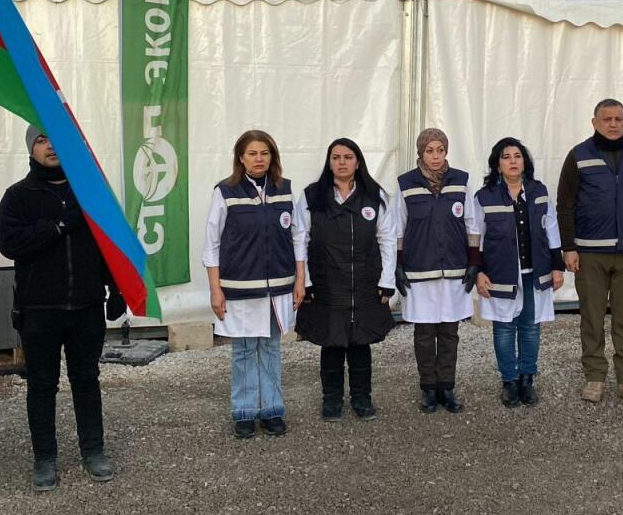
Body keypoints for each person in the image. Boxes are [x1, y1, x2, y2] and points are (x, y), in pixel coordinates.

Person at [0, 125, 122, 492]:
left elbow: (110, 245)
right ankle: (44, 457)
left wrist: (115, 288)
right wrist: (59, 225)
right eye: (41, 140)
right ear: (31, 149)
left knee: (86, 380)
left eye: (56, 137)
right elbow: (11, 244)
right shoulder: (18, 196)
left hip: (86, 306)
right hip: (39, 308)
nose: (50, 145)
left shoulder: (90, 193)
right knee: (41, 384)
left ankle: (93, 450)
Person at [557, 99, 623, 406]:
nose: (614, 124)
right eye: (607, 119)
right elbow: (565, 204)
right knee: (592, 318)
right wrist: (569, 247)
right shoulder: (579, 156)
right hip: (590, 253)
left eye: (619, 119)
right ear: (595, 123)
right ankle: (595, 377)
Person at [203, 130, 301, 438]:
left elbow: (298, 237)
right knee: (244, 350)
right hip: (240, 288)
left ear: (273, 157)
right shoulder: (225, 192)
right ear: (241, 158)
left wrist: (301, 280)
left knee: (271, 348)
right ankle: (244, 412)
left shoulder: (285, 190)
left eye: (264, 153)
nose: (259, 159)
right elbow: (211, 244)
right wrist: (215, 289)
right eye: (252, 153)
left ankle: (272, 409)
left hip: (278, 287)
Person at [294, 139, 399, 422]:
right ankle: (331, 400)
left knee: (360, 343)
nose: (342, 162)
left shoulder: (374, 195)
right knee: (331, 343)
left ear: (358, 162)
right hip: (326, 284)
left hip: (364, 282)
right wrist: (305, 280)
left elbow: (387, 238)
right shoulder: (312, 196)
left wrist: (387, 279)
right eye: (336, 157)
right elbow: (300, 238)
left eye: (348, 157)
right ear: (329, 162)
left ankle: (362, 398)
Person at [469, 138, 564, 408]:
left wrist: (557, 266)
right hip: (500, 274)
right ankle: (509, 381)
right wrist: (478, 272)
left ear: (525, 162)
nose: (512, 161)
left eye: (517, 156)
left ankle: (527, 379)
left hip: (535, 273)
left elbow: (552, 229)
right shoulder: (484, 197)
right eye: (506, 156)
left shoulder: (539, 191)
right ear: (497, 165)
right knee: (504, 328)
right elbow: (475, 236)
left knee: (530, 328)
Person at [395, 128, 474, 414]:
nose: (436, 156)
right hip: (420, 271)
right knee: (425, 333)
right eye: (430, 151)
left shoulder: (461, 181)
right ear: (421, 152)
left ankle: (447, 387)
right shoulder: (406, 184)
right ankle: (428, 387)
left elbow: (472, 223)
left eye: (440, 150)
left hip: (454, 270)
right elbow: (398, 228)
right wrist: (398, 265)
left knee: (450, 332)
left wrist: (474, 261)